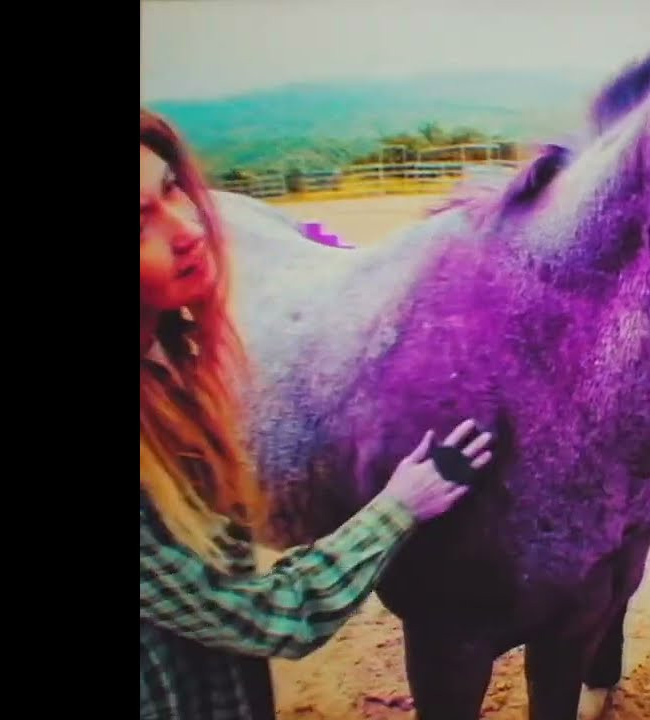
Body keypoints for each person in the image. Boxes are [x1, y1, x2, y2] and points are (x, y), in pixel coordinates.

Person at [140, 108, 494, 720]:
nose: (189, 227)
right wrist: (400, 506)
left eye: (171, 188)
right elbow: (272, 615)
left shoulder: (167, 364)